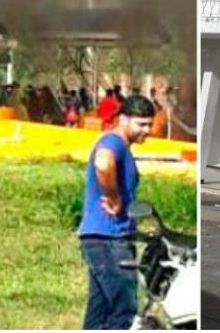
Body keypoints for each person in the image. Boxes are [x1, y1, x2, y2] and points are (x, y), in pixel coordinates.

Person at [79, 94, 155, 330]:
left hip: (100, 238)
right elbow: (103, 163)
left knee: (100, 310)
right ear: (123, 119)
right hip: (108, 239)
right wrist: (112, 196)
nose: (147, 130)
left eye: (150, 124)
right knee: (124, 309)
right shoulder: (114, 142)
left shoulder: (121, 145)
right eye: (141, 124)